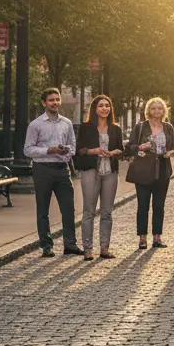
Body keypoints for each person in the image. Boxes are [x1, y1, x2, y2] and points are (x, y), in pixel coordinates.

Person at [24, 88, 82, 258]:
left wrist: (66, 151)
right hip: (42, 170)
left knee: (69, 208)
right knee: (43, 209)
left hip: (62, 170)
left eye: (57, 99)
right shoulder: (35, 125)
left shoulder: (67, 123)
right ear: (44, 103)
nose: (55, 103)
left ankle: (70, 244)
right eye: (51, 100)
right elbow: (28, 150)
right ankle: (46, 246)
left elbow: (72, 145)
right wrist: (49, 150)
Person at [76, 94, 123, 261]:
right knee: (89, 212)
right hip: (90, 171)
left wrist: (115, 152)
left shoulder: (116, 128)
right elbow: (79, 150)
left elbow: (121, 150)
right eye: (101, 106)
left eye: (107, 105)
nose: (105, 108)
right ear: (95, 109)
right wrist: (94, 151)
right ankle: (87, 249)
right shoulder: (86, 127)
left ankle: (104, 248)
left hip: (110, 171)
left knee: (107, 212)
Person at [128, 97, 174, 251]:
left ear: (164, 111)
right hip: (144, 169)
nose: (157, 111)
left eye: (160, 108)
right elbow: (130, 147)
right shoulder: (141, 127)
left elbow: (173, 147)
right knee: (143, 205)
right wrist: (140, 147)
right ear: (148, 110)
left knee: (159, 205)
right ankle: (142, 237)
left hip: (163, 168)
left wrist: (171, 152)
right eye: (153, 108)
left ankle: (157, 237)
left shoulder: (168, 127)